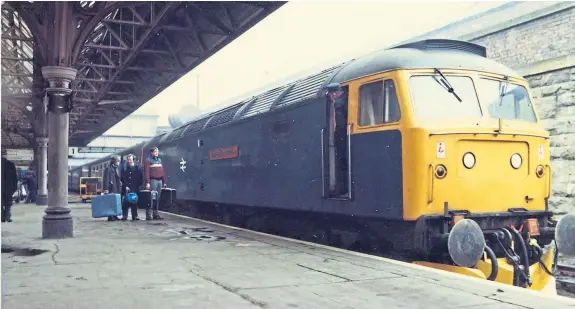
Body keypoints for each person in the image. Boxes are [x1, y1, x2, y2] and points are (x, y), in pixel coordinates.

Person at [326, 83, 349, 198]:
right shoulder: (348, 98)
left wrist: (336, 137)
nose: (331, 97)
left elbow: (340, 124)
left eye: (330, 95)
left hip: (343, 138)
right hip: (348, 136)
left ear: (334, 93)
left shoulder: (338, 103)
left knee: (341, 164)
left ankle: (342, 190)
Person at [143, 147, 166, 220]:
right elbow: (147, 172)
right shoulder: (148, 160)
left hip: (159, 181)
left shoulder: (159, 160)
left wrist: (164, 181)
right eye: (155, 151)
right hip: (153, 181)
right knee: (151, 198)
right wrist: (147, 182)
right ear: (151, 153)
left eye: (157, 151)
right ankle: (148, 215)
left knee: (157, 198)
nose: (157, 152)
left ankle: (155, 214)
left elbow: (162, 172)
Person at [121, 154, 142, 221]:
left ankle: (135, 215)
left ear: (133, 159)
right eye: (128, 159)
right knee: (125, 203)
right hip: (127, 188)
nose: (129, 161)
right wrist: (125, 186)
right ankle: (124, 216)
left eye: (130, 159)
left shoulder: (137, 168)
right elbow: (122, 178)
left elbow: (140, 178)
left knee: (134, 202)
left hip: (135, 187)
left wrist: (138, 185)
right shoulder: (124, 168)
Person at [103, 156, 122, 221]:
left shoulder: (116, 168)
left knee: (115, 202)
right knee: (111, 202)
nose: (119, 162)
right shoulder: (108, 168)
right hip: (111, 187)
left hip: (116, 187)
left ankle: (115, 215)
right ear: (114, 161)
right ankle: (110, 216)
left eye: (119, 161)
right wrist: (106, 189)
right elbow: (106, 179)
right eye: (118, 161)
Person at [2, 149, 18, 222]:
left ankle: (2, 217)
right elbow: (15, 178)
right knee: (8, 204)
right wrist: (14, 188)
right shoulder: (10, 164)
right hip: (8, 188)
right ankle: (7, 216)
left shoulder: (10, 165)